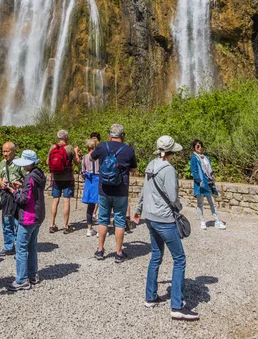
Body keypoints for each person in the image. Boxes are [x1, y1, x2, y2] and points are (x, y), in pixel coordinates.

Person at [133, 135, 199, 321]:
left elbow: (144, 191)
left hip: (150, 217)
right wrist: (178, 209)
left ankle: (150, 296)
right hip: (164, 219)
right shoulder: (168, 169)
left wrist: (138, 209)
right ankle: (177, 306)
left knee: (156, 255)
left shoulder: (151, 164)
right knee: (179, 259)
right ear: (172, 152)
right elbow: (173, 195)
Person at [90, 124, 137, 262]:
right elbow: (134, 169)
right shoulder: (128, 150)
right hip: (121, 190)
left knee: (103, 219)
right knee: (120, 221)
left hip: (104, 189)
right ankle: (118, 253)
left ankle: (100, 250)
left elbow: (92, 158)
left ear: (110, 136)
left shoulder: (102, 146)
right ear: (123, 136)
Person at [7, 150, 46, 292]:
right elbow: (31, 192)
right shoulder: (40, 175)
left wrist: (14, 191)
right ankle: (33, 274)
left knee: (21, 247)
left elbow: (24, 199)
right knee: (32, 246)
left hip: (28, 216)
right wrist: (22, 187)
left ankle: (22, 279)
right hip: (38, 215)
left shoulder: (29, 178)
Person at [47, 129, 81, 234]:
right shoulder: (69, 148)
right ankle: (66, 226)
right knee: (66, 201)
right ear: (66, 137)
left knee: (55, 200)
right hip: (67, 179)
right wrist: (76, 152)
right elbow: (77, 162)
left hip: (56, 178)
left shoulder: (53, 147)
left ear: (58, 137)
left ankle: (52, 225)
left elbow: (48, 162)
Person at [0, 142, 25, 256]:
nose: (5, 154)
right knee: (6, 222)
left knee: (17, 223)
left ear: (14, 151)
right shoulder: (2, 163)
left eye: (7, 151)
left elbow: (27, 179)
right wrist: (0, 182)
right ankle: (9, 247)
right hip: (5, 197)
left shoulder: (20, 163)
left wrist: (20, 185)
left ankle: (20, 247)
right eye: (3, 151)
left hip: (16, 197)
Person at [190, 139, 226, 230]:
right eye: (197, 146)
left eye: (200, 145)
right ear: (194, 147)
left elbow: (209, 169)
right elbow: (194, 171)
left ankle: (217, 221)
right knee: (200, 203)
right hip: (201, 184)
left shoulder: (206, 158)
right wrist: (199, 181)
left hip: (209, 183)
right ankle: (202, 222)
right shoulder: (194, 158)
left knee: (212, 203)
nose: (199, 147)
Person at [81, 138, 100, 237]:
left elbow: (82, 172)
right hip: (98, 180)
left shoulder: (84, 157)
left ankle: (89, 228)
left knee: (90, 206)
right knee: (102, 204)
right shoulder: (100, 157)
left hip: (89, 181)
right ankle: (101, 229)